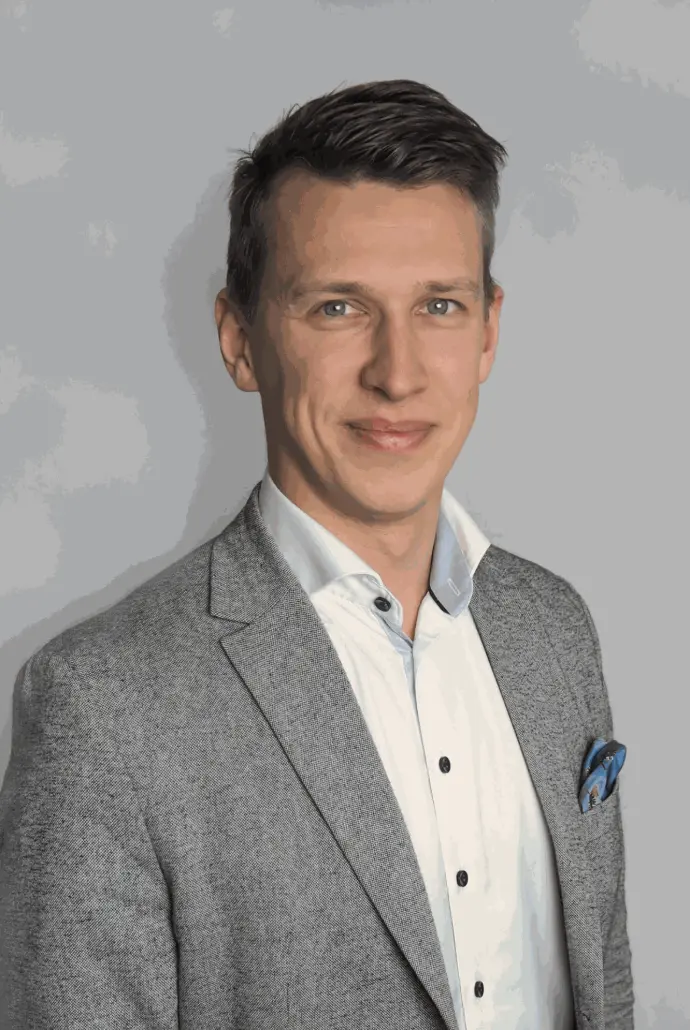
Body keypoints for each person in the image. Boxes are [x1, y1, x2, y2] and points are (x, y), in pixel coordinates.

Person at [0, 79, 633, 1030]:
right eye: (339, 308)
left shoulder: (555, 630)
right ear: (239, 340)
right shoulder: (103, 708)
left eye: (440, 306)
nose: (398, 372)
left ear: (489, 331)